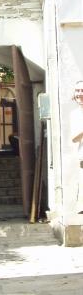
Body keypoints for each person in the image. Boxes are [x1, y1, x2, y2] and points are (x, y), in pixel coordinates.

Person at [71, 80, 83, 214]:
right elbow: (74, 138)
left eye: (82, 91)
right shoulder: (74, 114)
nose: (80, 94)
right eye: (78, 91)